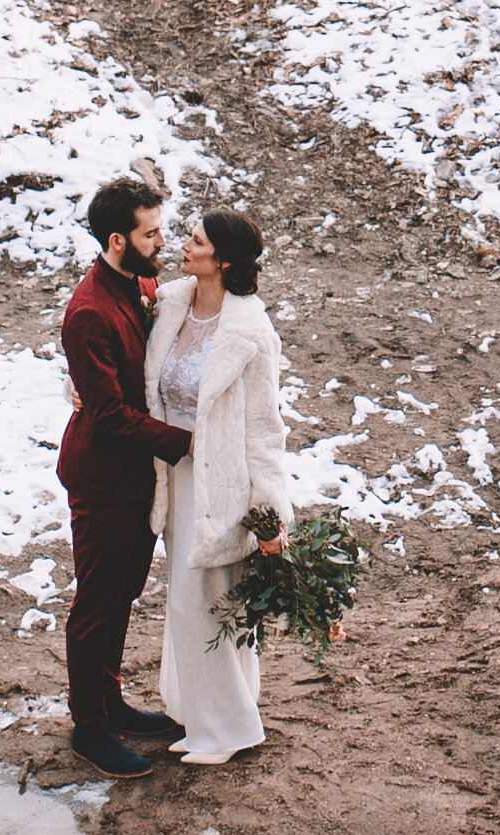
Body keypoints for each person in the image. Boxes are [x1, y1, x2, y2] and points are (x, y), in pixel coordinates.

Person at [58, 178, 194, 779]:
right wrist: (189, 443)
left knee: (124, 595)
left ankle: (111, 701)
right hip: (104, 476)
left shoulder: (140, 284)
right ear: (118, 240)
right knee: (96, 601)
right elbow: (109, 414)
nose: (162, 241)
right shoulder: (87, 313)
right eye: (151, 233)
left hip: (141, 476)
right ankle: (89, 726)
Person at [145, 210, 292, 764]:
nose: (183, 245)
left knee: (197, 603)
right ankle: (200, 715)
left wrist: (269, 510)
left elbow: (263, 426)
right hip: (174, 476)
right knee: (206, 604)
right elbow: (138, 372)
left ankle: (228, 730)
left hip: (222, 481)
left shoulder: (250, 331)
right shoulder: (171, 304)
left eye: (196, 240)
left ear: (223, 259)